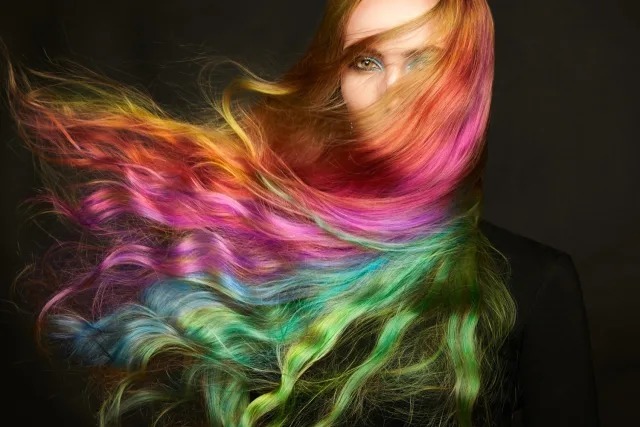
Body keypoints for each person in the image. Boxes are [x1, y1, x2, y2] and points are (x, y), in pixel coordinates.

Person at [5, 0, 599, 426]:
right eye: (366, 61)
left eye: (422, 61)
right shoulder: (260, 261)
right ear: (337, 80)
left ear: (468, 81)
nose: (392, 89)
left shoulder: (536, 284)